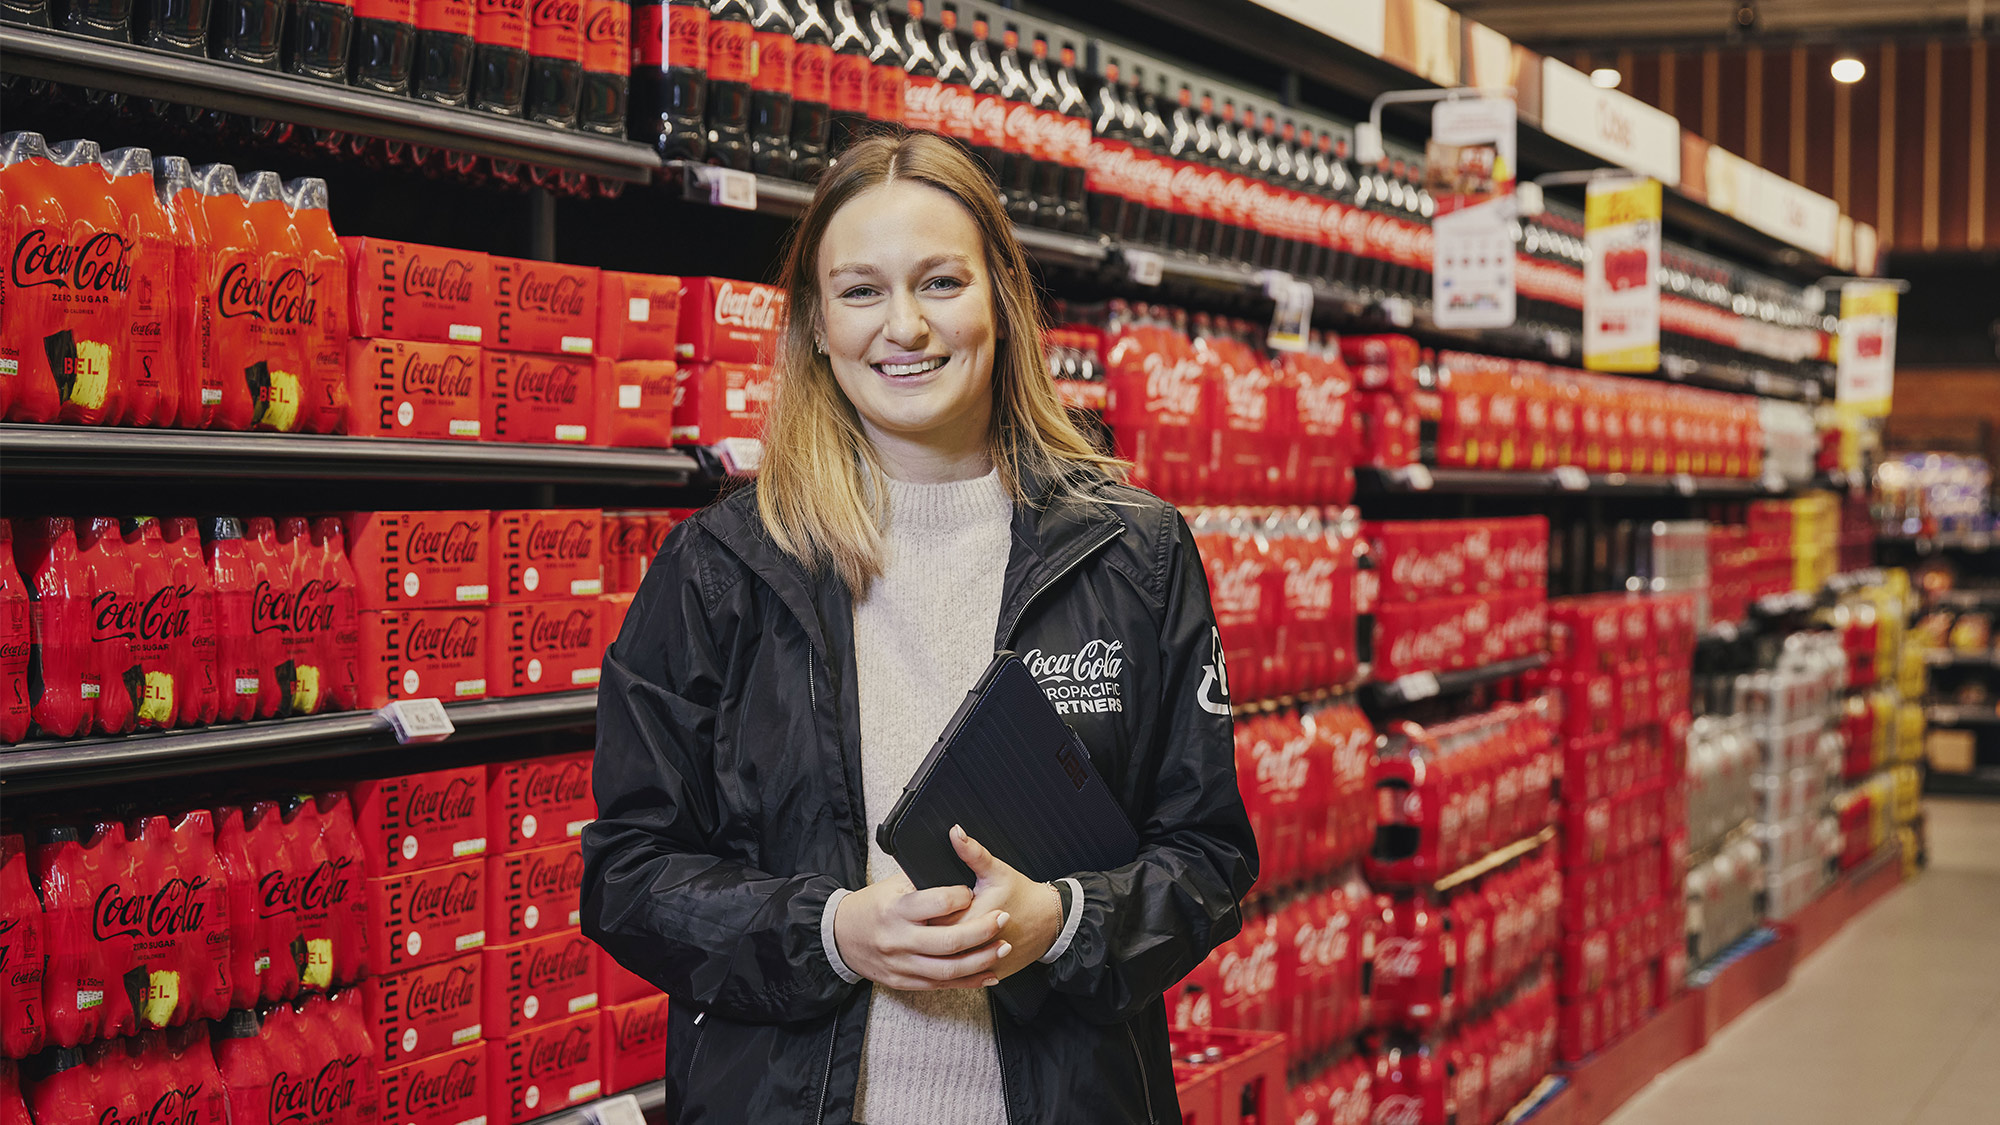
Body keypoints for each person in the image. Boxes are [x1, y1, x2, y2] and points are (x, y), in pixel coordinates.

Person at [582, 131, 1257, 1125]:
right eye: (860, 291)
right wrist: (831, 932)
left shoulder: (1134, 555)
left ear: (1000, 299)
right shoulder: (723, 569)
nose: (903, 326)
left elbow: (1205, 858)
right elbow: (628, 874)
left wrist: (1064, 920)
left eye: (940, 282)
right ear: (814, 324)